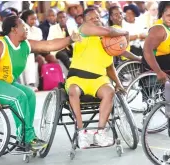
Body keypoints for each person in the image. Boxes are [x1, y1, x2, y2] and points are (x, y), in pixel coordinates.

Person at [0, 15, 81, 148]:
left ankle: (25, 135)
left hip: (3, 82)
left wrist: (70, 39)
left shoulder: (25, 45)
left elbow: (49, 45)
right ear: (14, 29)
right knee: (19, 97)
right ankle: (27, 138)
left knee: (29, 94)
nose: (27, 28)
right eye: (23, 26)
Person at [65, 7, 129, 149]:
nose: (95, 20)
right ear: (84, 21)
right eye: (91, 18)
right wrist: (126, 32)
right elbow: (110, 30)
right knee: (73, 91)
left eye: (97, 17)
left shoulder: (106, 41)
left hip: (98, 80)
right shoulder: (82, 30)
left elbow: (110, 66)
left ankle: (100, 132)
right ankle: (81, 131)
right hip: (77, 77)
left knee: (110, 91)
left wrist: (118, 83)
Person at [143, 1, 170, 81]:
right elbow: (147, 50)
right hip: (161, 65)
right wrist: (158, 71)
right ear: (162, 14)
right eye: (168, 15)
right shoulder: (158, 29)